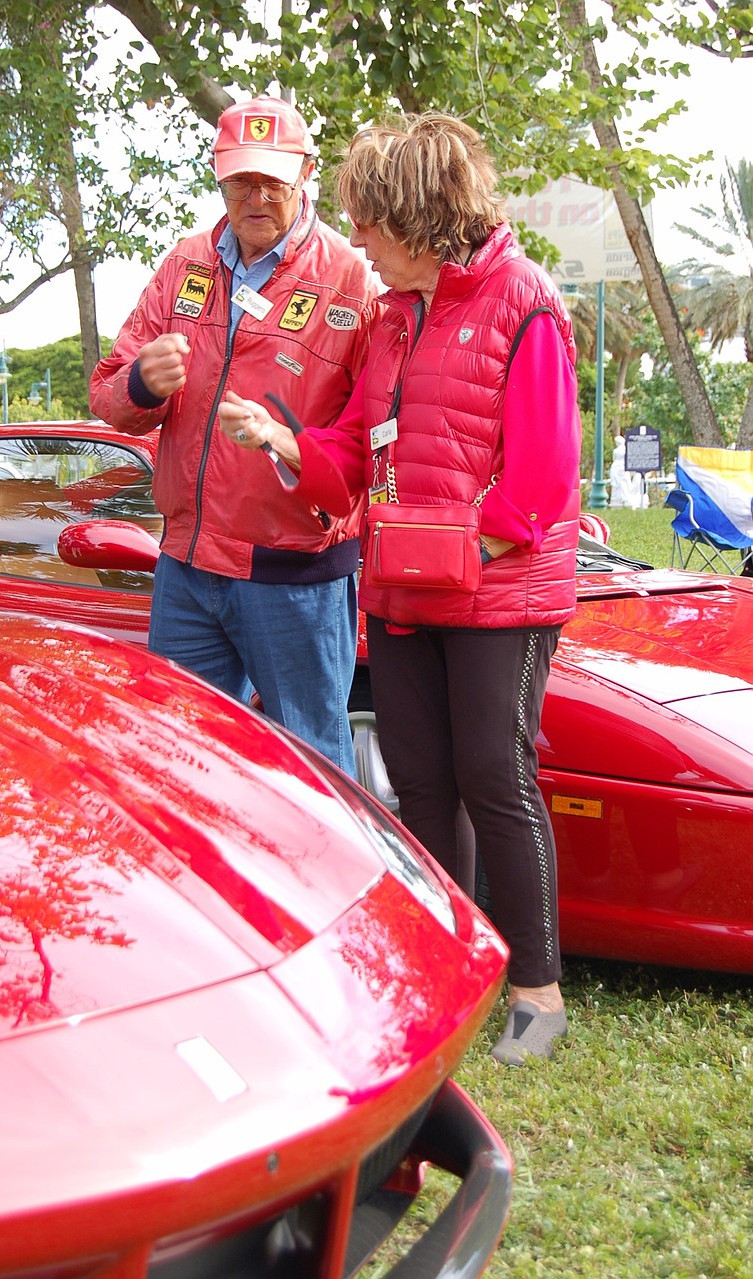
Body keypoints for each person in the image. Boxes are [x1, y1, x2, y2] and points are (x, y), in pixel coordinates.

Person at [218, 114, 582, 1065]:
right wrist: (289, 440)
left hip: (498, 594)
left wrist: (449, 547)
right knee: (419, 780)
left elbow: (537, 485)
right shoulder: (391, 317)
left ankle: (538, 996)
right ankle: (448, 966)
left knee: (495, 778)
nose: (361, 247)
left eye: (370, 227)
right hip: (407, 588)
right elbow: (352, 445)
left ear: (419, 218)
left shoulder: (524, 302)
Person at [90, 95, 381, 773]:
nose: (257, 194)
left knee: (313, 769)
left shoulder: (352, 282)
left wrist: (286, 445)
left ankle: (322, 882)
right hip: (187, 568)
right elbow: (109, 390)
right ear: (218, 175)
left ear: (306, 173)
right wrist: (142, 384)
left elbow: (368, 443)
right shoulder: (186, 263)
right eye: (242, 178)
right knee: (178, 761)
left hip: (293, 576)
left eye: (274, 179)